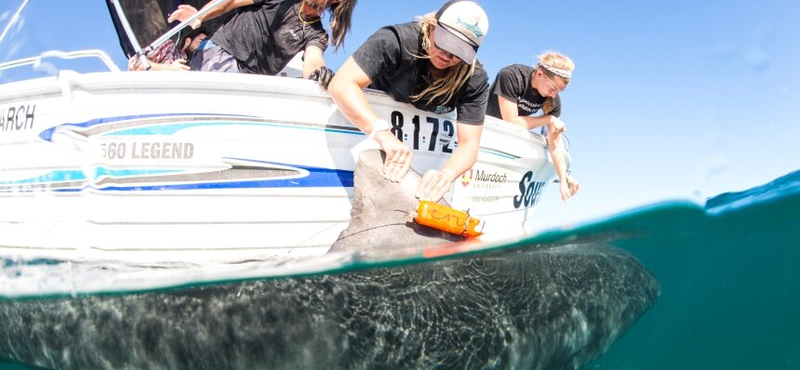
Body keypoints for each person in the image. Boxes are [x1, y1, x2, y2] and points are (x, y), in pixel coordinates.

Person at [327, 0, 490, 203]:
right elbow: (341, 84)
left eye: (458, 52)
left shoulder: (474, 78)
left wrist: (446, 175)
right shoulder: (395, 40)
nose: (447, 56)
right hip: (367, 127)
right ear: (432, 26)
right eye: (443, 43)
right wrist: (381, 133)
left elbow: (470, 143)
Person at [167, 0, 356, 82]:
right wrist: (200, 16)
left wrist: (319, 73)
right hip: (223, 53)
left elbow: (313, 59)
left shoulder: (317, 33)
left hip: (252, 78)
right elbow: (231, 2)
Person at [485, 51, 580, 202]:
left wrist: (563, 179)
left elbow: (555, 142)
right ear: (540, 74)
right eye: (553, 88)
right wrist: (548, 118)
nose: (554, 95)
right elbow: (511, 123)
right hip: (486, 134)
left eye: (559, 91)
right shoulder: (511, 76)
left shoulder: (552, 99)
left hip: (508, 145)